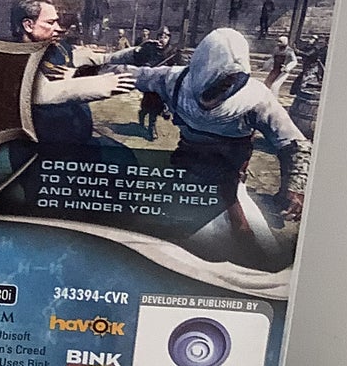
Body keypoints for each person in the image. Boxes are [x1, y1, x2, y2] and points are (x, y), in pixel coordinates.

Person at [132, 27, 310, 262]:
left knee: (247, 242)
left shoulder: (257, 98)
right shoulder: (172, 79)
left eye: (230, 80)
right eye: (220, 79)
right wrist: (94, 69)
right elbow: (126, 74)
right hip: (185, 171)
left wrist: (294, 187)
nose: (224, 86)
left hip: (228, 180)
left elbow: (295, 144)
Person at [11, 0, 137, 146]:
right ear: (28, 25)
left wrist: (135, 53)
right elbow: (43, 93)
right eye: (50, 23)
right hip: (44, 148)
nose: (58, 28)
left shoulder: (59, 49)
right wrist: (101, 84)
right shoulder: (13, 58)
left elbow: (101, 59)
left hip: (78, 140)